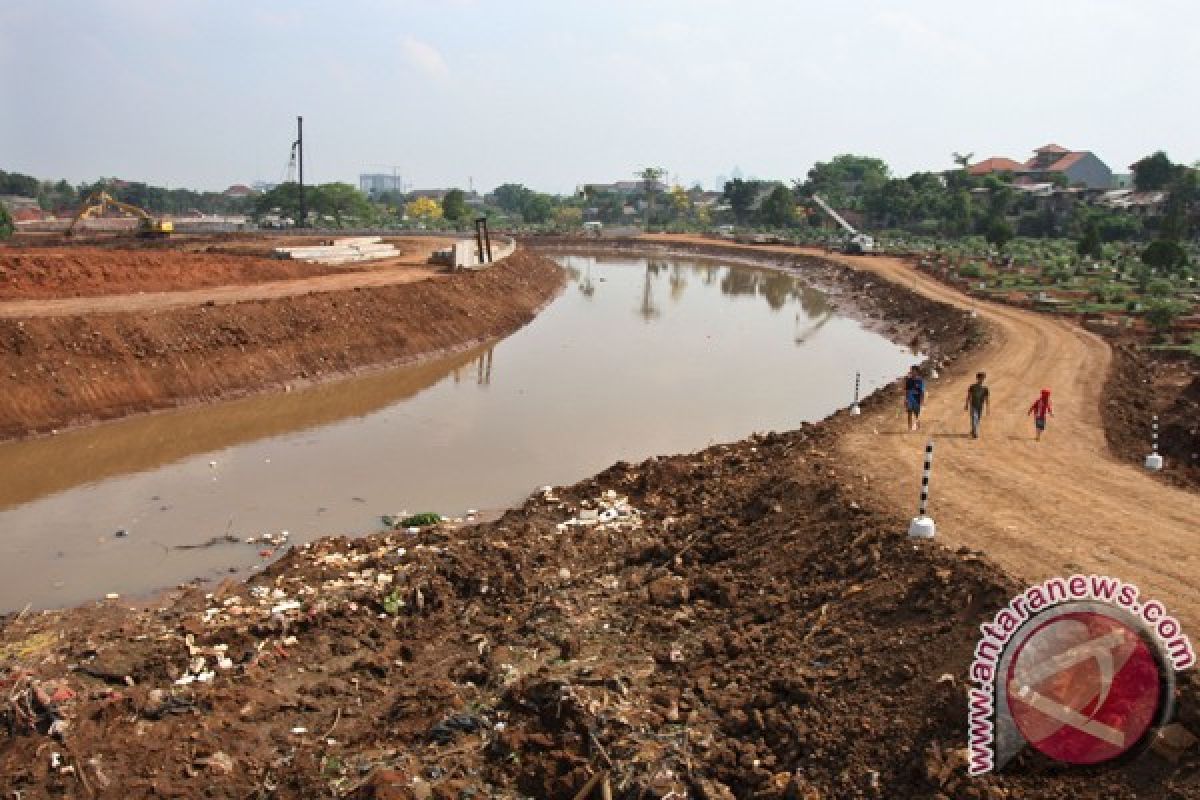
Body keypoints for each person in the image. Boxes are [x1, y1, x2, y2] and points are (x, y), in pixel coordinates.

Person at [964, 372, 990, 439]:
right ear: (977, 378)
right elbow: (969, 396)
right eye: (981, 378)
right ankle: (975, 433)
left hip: (980, 406)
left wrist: (987, 407)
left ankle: (973, 431)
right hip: (973, 405)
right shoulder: (972, 387)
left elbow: (986, 398)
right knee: (974, 418)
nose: (982, 380)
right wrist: (966, 404)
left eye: (983, 378)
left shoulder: (985, 388)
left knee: (978, 419)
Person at [904, 365, 926, 431]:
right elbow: (906, 391)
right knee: (909, 413)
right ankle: (909, 428)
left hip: (917, 399)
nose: (911, 372)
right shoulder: (908, 380)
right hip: (910, 398)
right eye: (911, 370)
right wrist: (906, 399)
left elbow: (922, 392)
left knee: (917, 414)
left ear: (916, 371)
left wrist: (922, 401)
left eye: (913, 370)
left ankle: (918, 427)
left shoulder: (920, 381)